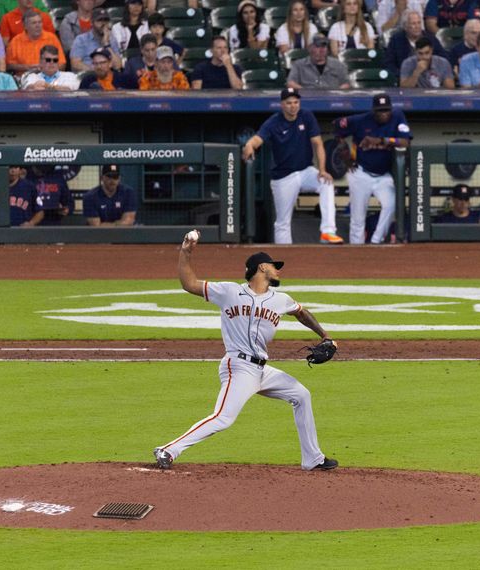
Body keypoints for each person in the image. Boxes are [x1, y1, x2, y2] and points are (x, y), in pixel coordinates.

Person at [152, 241, 339, 472]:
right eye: (274, 266)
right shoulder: (229, 291)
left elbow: (300, 312)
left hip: (262, 370)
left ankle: (313, 458)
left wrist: (325, 336)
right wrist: (185, 253)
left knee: (301, 395)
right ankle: (169, 450)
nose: (278, 270)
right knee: (223, 418)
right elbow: (189, 284)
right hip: (238, 366)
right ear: (262, 268)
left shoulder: (281, 299)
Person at [242, 87, 341, 245]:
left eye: (296, 102)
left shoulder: (306, 116)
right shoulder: (274, 121)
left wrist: (322, 170)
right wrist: (249, 144)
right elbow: (257, 139)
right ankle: (285, 255)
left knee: (326, 183)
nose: (293, 106)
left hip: (305, 170)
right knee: (282, 222)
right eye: (289, 103)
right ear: (282, 104)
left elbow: (318, 143)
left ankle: (328, 232)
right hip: (283, 176)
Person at [333, 93, 412, 245]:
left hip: (383, 175)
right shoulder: (361, 120)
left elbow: (405, 141)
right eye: (380, 111)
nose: (384, 114)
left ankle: (376, 242)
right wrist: (345, 153)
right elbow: (337, 126)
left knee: (391, 205)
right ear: (373, 111)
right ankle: (356, 250)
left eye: (386, 110)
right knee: (358, 218)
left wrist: (381, 140)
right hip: (361, 173)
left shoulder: (397, 116)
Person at [384, 10, 448, 78]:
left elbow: (444, 58)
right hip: (405, 81)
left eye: (419, 23)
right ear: (405, 26)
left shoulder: (430, 39)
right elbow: (389, 64)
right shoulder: (396, 40)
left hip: (430, 78)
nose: (417, 26)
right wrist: (402, 75)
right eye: (413, 24)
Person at [6, 9, 67, 78]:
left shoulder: (52, 38)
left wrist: (47, 69)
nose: (38, 26)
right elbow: (9, 65)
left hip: (50, 77)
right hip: (25, 79)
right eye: (34, 23)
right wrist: (27, 67)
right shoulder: (15, 41)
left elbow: (62, 64)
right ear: (25, 26)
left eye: (40, 22)